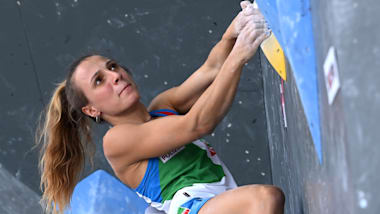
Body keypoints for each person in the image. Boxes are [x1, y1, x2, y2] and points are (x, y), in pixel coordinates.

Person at [36, 1, 285, 214]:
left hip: (218, 198)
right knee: (264, 199)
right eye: (99, 81)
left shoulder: (162, 106)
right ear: (91, 110)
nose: (115, 76)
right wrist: (239, 55)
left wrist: (234, 32)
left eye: (112, 66)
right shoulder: (116, 141)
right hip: (191, 207)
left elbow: (211, 70)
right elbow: (198, 123)